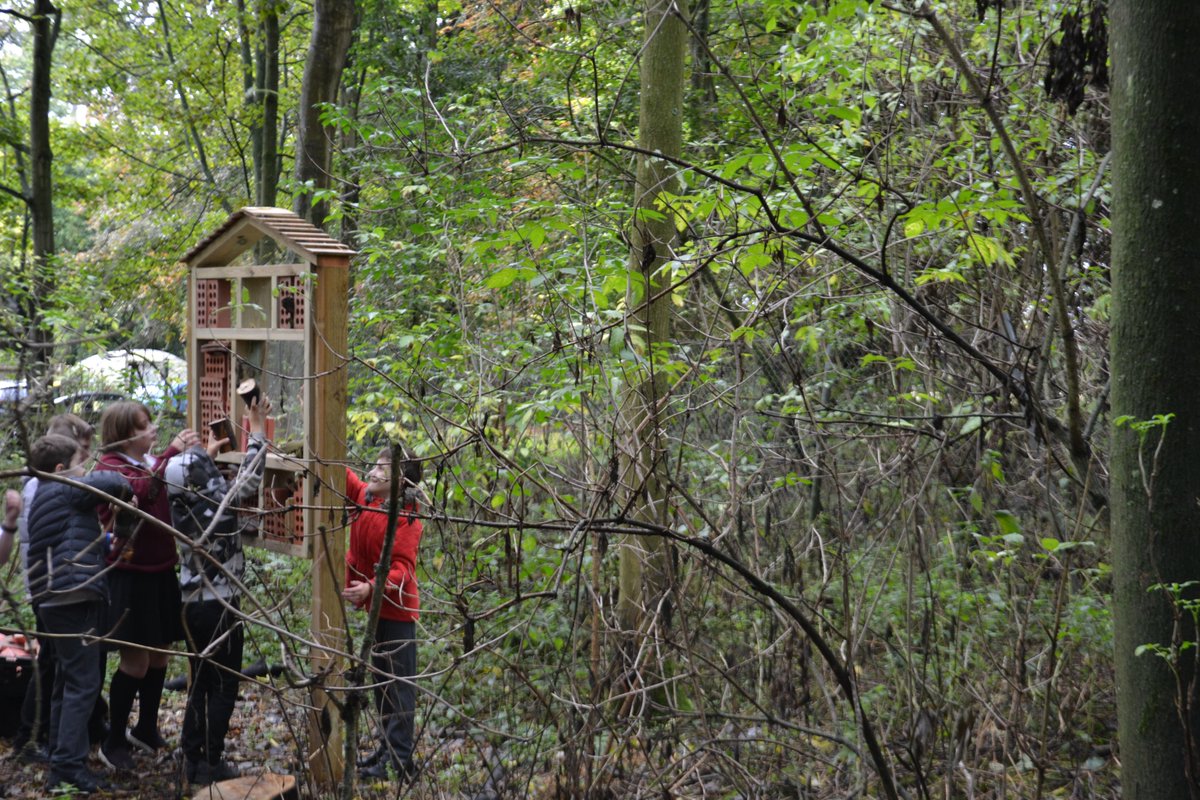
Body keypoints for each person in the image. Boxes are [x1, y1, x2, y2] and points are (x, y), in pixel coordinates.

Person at [166, 396, 271, 785]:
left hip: (191, 603)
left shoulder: (181, 502)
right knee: (224, 683)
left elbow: (200, 481)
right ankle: (211, 761)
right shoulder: (219, 505)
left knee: (200, 681)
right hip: (220, 603)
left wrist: (203, 457)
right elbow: (249, 479)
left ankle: (192, 757)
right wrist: (257, 428)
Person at [94, 401, 199, 771]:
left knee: (159, 654)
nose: (152, 429)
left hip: (160, 570)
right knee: (135, 661)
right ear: (124, 436)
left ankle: (146, 728)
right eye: (143, 425)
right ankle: (113, 740)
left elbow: (163, 483)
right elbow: (141, 490)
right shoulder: (109, 468)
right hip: (130, 575)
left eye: (151, 422)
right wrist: (171, 453)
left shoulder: (148, 461)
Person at [26, 433, 132, 794]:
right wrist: (122, 486)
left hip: (53, 597)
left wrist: (107, 541)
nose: (85, 471)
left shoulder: (45, 495)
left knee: (66, 683)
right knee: (84, 684)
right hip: (72, 596)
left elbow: (67, 540)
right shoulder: (64, 487)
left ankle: (62, 764)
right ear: (61, 469)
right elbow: (112, 481)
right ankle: (69, 767)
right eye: (80, 465)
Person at [11, 413, 107, 761]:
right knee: (55, 666)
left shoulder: (41, 484)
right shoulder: (46, 487)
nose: (87, 459)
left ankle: (54, 738)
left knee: (60, 667)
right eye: (83, 451)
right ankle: (32, 738)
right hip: (53, 588)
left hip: (50, 585)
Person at [343, 446, 423, 782]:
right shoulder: (367, 498)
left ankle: (400, 761)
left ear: (400, 481)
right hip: (376, 610)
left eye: (382, 469)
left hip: (398, 613)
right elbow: (343, 477)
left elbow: (403, 569)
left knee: (398, 687)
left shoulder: (407, 516)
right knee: (381, 686)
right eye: (374, 466)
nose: (373, 473)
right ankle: (387, 750)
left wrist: (371, 587)